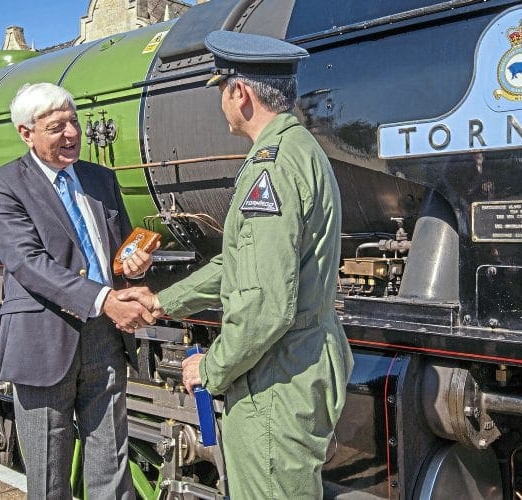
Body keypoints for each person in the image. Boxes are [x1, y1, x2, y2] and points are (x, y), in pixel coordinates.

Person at [125, 30, 354, 499]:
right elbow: (241, 264)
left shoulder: (270, 167)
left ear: (240, 93)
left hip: (276, 377)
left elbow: (265, 303)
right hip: (297, 361)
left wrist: (211, 368)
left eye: (222, 89)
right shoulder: (301, 150)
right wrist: (164, 300)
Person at [0, 82, 157, 499]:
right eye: (57, 126)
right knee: (48, 472)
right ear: (26, 132)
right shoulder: (3, 184)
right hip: (44, 339)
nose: (71, 134)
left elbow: (118, 250)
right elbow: (26, 262)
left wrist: (132, 265)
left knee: (111, 462)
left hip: (104, 338)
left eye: (73, 122)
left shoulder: (101, 179)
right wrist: (103, 299)